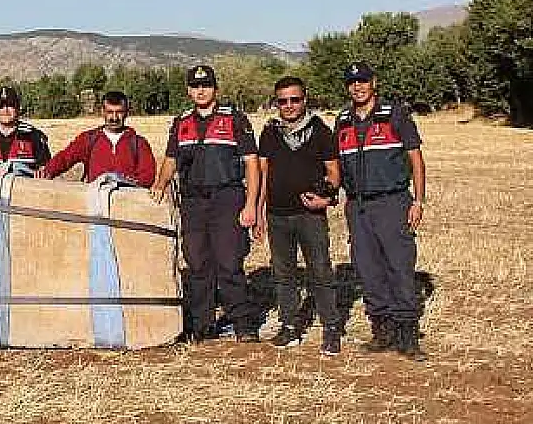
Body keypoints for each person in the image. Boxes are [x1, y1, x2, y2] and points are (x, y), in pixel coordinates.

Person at [150, 65, 262, 343]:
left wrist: (250, 205)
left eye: (207, 85)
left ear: (216, 89)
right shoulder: (181, 122)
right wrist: (160, 185)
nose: (201, 91)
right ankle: (203, 324)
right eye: (196, 86)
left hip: (227, 198)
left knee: (229, 262)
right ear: (189, 90)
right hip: (194, 201)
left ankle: (243, 323)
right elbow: (171, 160)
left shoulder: (235, 119)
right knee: (197, 264)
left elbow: (251, 164)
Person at [334, 62, 427, 360]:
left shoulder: (395, 115)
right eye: (352, 82)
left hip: (392, 201)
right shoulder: (343, 121)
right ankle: (382, 330)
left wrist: (418, 201)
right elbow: (335, 167)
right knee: (368, 269)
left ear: (374, 82)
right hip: (358, 206)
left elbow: (416, 159)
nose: (357, 86)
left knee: (399, 267)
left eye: (362, 80)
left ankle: (407, 334)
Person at [253, 76, 342, 356]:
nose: (289, 106)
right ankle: (289, 326)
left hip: (309, 217)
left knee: (320, 271)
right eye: (282, 101)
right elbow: (263, 175)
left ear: (305, 99)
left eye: (295, 99)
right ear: (276, 103)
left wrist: (325, 198)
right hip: (277, 216)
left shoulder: (320, 132)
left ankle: (331, 328)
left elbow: (335, 174)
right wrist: (258, 212)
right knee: (283, 274)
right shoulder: (269, 134)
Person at [39, 90, 156, 186]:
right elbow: (65, 158)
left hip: (126, 204)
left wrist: (124, 182)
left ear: (127, 113)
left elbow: (148, 176)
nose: (114, 117)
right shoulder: (89, 139)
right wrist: (47, 171)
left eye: (119, 112)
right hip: (95, 203)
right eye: (110, 112)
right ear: (102, 112)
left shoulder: (138, 143)